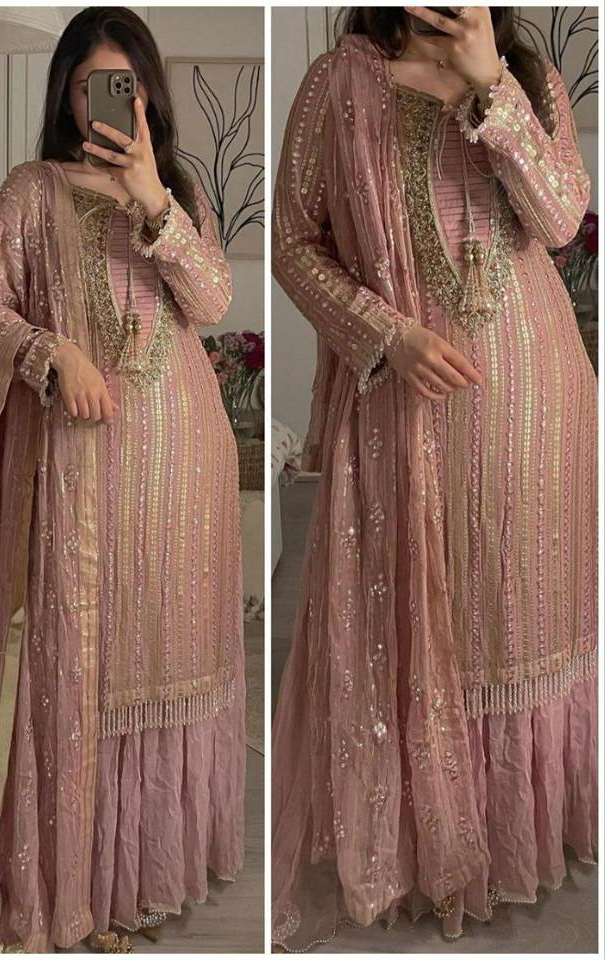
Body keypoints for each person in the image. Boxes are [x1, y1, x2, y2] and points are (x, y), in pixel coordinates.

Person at [271, 5, 597, 950]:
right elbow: (292, 242)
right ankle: (424, 851)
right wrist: (386, 333)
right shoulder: (339, 83)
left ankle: (514, 838)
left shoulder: (530, 79)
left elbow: (560, 220)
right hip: (404, 410)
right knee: (425, 624)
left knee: (516, 617)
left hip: (534, 407)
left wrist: (490, 78)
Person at [0, 7, 245, 953]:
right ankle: (75, 890)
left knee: (165, 664)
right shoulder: (31, 192)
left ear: (148, 92)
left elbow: (213, 299)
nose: (109, 102)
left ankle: (144, 880)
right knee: (82, 672)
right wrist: (48, 353)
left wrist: (153, 196)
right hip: (78, 478)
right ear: (66, 96)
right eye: (90, 86)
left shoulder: (176, 191)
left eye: (126, 84)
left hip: (182, 472)